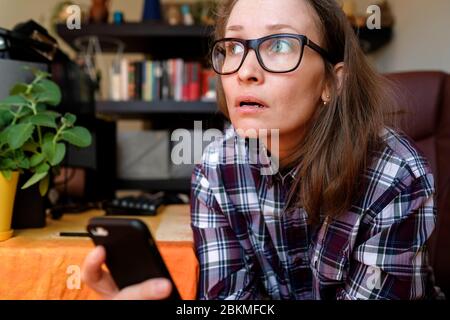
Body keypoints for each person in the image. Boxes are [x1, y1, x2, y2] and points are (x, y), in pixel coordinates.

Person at [82, 0, 442, 300]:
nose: (246, 71)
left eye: (280, 44)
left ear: (333, 83)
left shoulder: (394, 174)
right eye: (233, 48)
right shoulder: (215, 168)